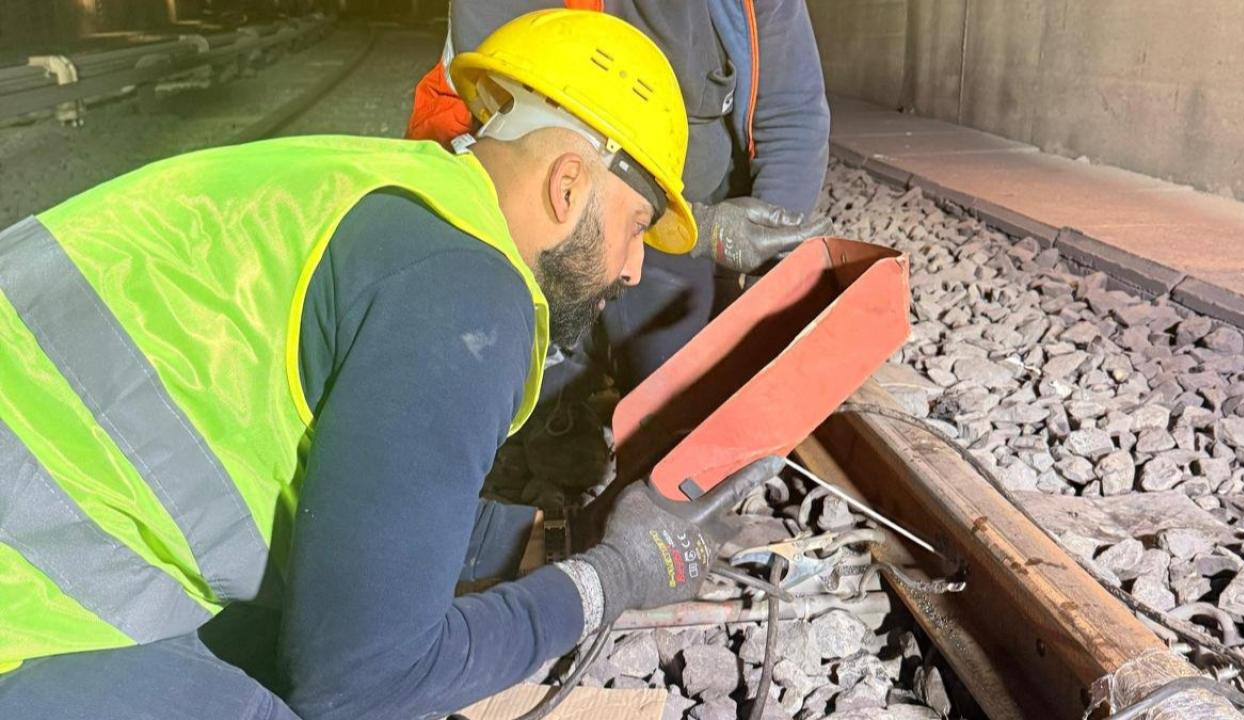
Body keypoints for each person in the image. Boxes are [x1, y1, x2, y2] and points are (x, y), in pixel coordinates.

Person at [0, 10, 776, 719]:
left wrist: (558, 539)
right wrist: (608, 583)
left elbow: (362, 487)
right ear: (569, 186)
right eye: (637, 227)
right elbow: (361, 683)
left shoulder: (389, 198)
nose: (636, 268)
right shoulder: (467, 296)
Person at [407, 0, 833, 395]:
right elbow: (528, 162)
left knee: (673, 379)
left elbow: (791, 112)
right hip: (554, 204)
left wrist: (768, 267)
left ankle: (597, 341)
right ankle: (556, 368)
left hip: (670, 219)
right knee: (496, 347)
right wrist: (693, 230)